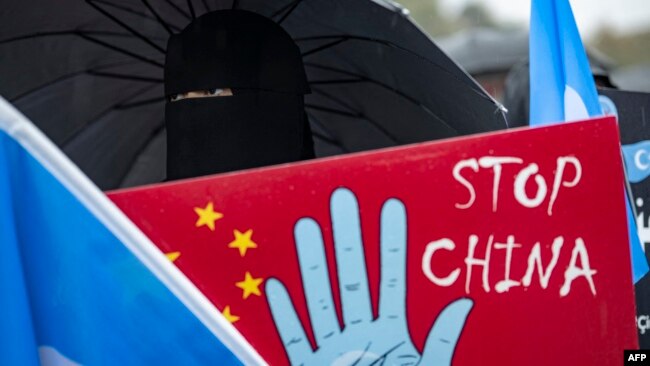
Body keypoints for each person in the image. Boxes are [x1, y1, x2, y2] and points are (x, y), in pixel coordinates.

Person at [164, 10, 314, 181]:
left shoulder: (315, 202)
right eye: (175, 97)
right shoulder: (148, 205)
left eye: (212, 90)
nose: (186, 107)